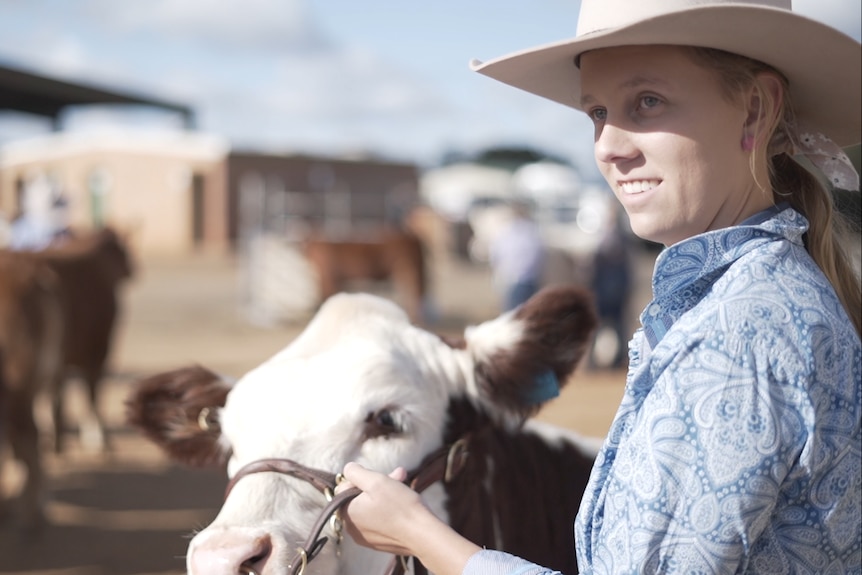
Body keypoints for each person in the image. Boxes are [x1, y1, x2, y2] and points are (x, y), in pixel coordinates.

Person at [337, 1, 862, 573]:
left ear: (754, 110)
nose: (609, 146)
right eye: (597, 112)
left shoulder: (739, 330)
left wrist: (421, 535)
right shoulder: (761, 298)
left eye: (648, 102)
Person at [588, 204, 633, 368]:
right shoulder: (603, 236)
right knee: (598, 325)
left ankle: (618, 360)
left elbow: (626, 267)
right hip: (602, 290)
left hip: (616, 290)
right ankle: (593, 362)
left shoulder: (621, 237)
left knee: (618, 326)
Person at [487, 199, 545, 311]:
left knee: (513, 315)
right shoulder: (531, 231)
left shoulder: (510, 231)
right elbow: (538, 256)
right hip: (524, 279)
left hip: (516, 279)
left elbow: (495, 254)